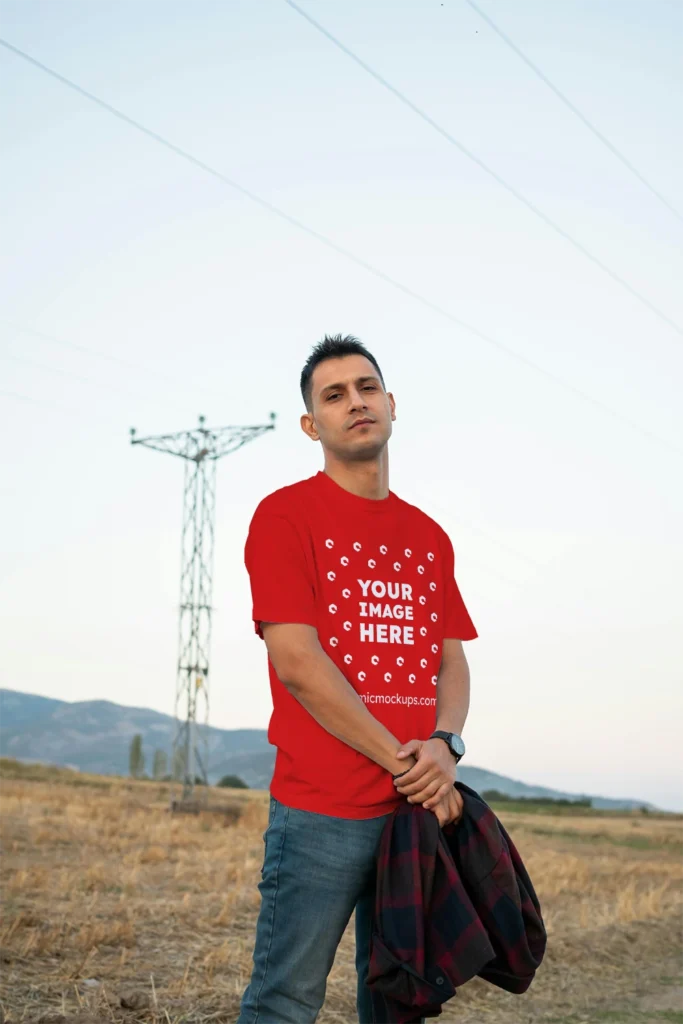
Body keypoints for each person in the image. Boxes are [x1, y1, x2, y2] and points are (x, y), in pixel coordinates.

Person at [237, 334, 477, 1024]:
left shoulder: (428, 536)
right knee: (284, 1002)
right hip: (321, 813)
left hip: (411, 817)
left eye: (366, 387)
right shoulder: (285, 515)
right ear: (312, 425)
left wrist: (445, 745)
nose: (355, 402)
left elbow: (450, 658)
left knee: (398, 1003)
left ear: (391, 404)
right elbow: (299, 663)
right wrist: (410, 765)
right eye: (334, 395)